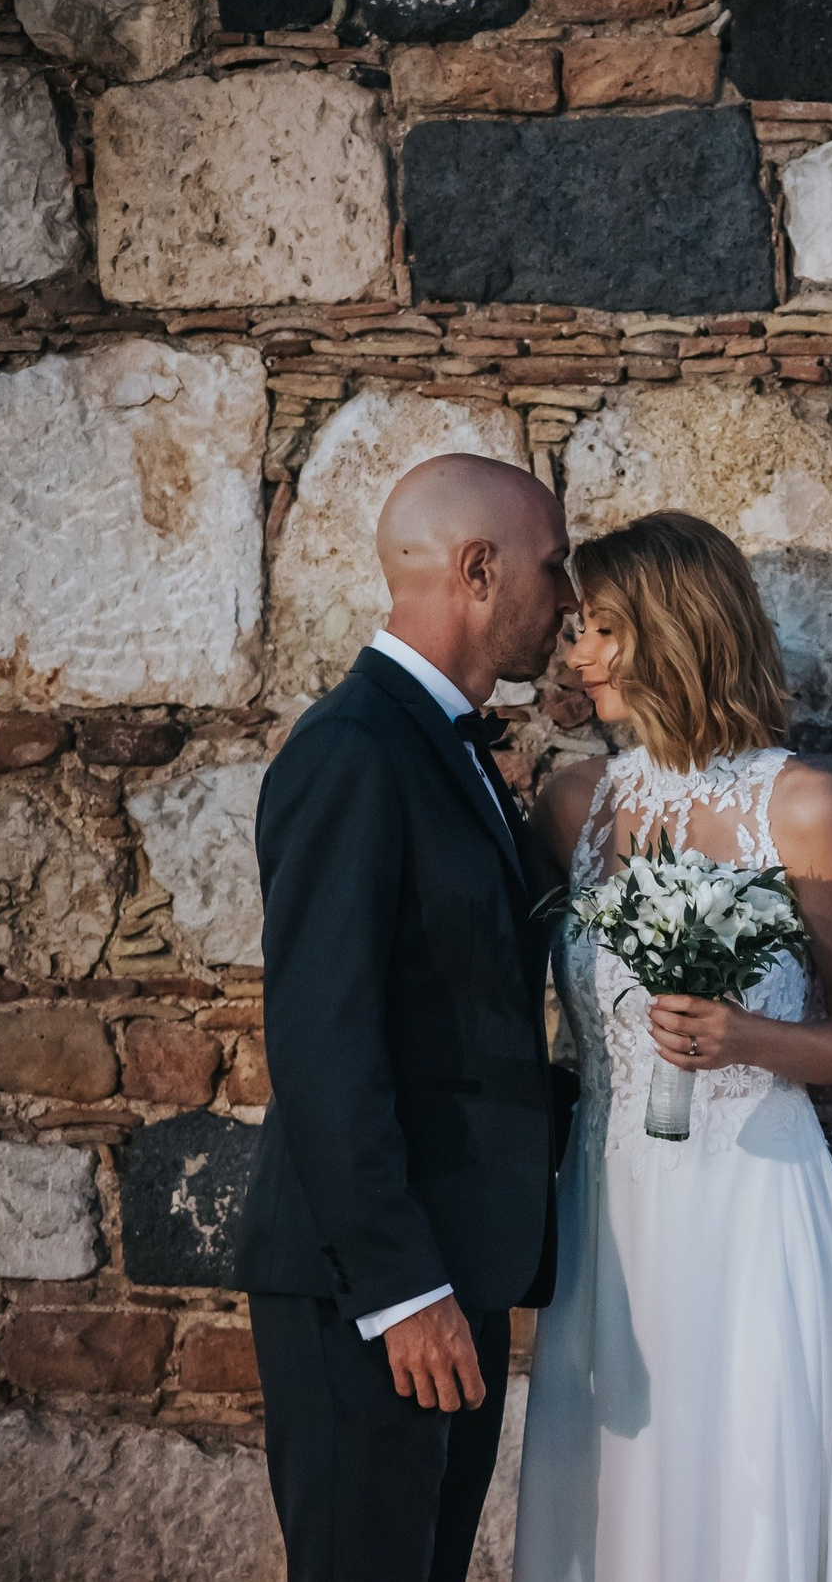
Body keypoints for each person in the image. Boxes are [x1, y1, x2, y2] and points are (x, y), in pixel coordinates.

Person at [513, 510, 832, 1582]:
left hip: (753, 1207)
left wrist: (751, 1037)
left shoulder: (804, 808)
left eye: (603, 628)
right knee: (613, 1495)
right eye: (576, 630)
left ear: (676, 628)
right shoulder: (574, 806)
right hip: (609, 1211)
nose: (578, 655)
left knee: (748, 1488)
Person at [238, 455, 579, 1582]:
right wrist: (401, 1292)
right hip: (374, 1285)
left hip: (453, 1261)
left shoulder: (447, 746)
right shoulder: (353, 750)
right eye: (553, 566)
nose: (568, 596)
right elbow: (323, 1043)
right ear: (479, 571)